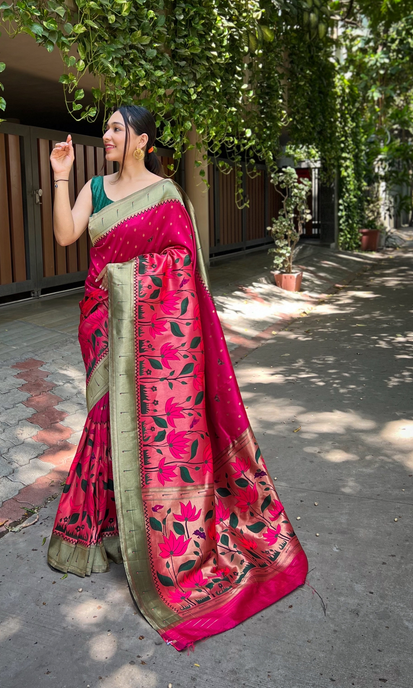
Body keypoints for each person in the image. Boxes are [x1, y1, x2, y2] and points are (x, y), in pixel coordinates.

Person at [47, 105, 308, 650]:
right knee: (105, 415)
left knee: (143, 423)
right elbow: (68, 236)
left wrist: (131, 278)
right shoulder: (93, 187)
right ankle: (105, 531)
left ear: (141, 140)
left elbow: (182, 265)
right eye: (108, 128)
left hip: (150, 329)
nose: (108, 135)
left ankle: (146, 534)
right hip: (101, 317)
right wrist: (61, 173)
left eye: (118, 128)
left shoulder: (167, 195)